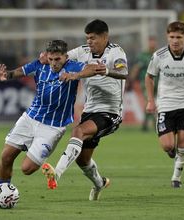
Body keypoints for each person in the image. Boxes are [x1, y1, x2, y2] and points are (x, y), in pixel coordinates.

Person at [0, 40, 106, 204]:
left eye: (57, 59)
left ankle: (48, 167)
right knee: (6, 157)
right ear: (47, 57)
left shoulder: (73, 67)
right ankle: (1, 194)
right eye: (51, 59)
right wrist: (6, 75)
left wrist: (74, 76)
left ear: (65, 57)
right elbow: (21, 71)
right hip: (30, 118)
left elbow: (91, 69)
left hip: (52, 128)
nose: (54, 63)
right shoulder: (40, 64)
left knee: (27, 169)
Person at [41, 19, 128, 201]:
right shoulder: (82, 51)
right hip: (90, 111)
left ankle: (56, 173)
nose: (89, 41)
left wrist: (107, 71)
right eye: (87, 38)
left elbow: (123, 72)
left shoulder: (116, 52)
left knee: (78, 130)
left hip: (111, 112)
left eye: (93, 38)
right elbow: (62, 57)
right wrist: (44, 58)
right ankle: (100, 183)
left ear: (104, 37)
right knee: (83, 160)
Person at [145, 21, 184, 188]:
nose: (175, 40)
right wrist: (151, 100)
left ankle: (176, 178)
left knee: (182, 142)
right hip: (165, 104)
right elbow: (149, 76)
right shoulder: (159, 55)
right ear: (167, 37)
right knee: (167, 146)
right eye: (172, 37)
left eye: (179, 37)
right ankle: (171, 150)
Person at [129, 36, 157, 131]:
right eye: (150, 42)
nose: (152, 44)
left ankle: (147, 124)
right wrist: (130, 80)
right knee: (148, 102)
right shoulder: (143, 56)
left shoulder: (159, 55)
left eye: (153, 42)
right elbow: (136, 68)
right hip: (146, 84)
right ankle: (151, 124)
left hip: (159, 84)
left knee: (156, 103)